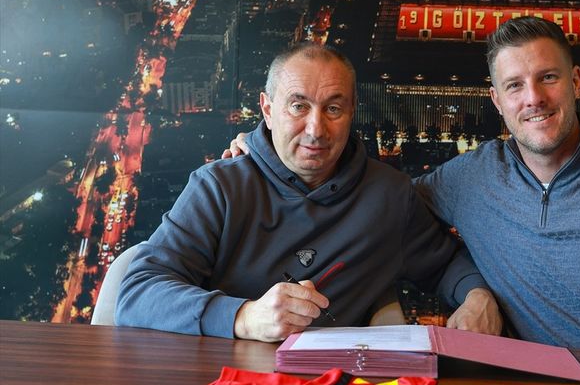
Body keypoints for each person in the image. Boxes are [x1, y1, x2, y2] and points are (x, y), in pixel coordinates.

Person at [224, 17, 580, 385]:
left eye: (548, 78)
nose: (533, 98)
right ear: (496, 101)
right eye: (514, 86)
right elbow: (373, 203)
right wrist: (262, 155)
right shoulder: (468, 178)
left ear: (576, 82)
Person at [115, 43, 501, 342]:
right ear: (267, 110)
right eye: (298, 106)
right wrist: (243, 317)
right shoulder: (219, 186)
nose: (316, 129)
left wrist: (478, 297)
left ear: (352, 112)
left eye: (333, 109)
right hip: (215, 378)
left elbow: (443, 266)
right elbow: (138, 292)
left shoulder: (389, 196)